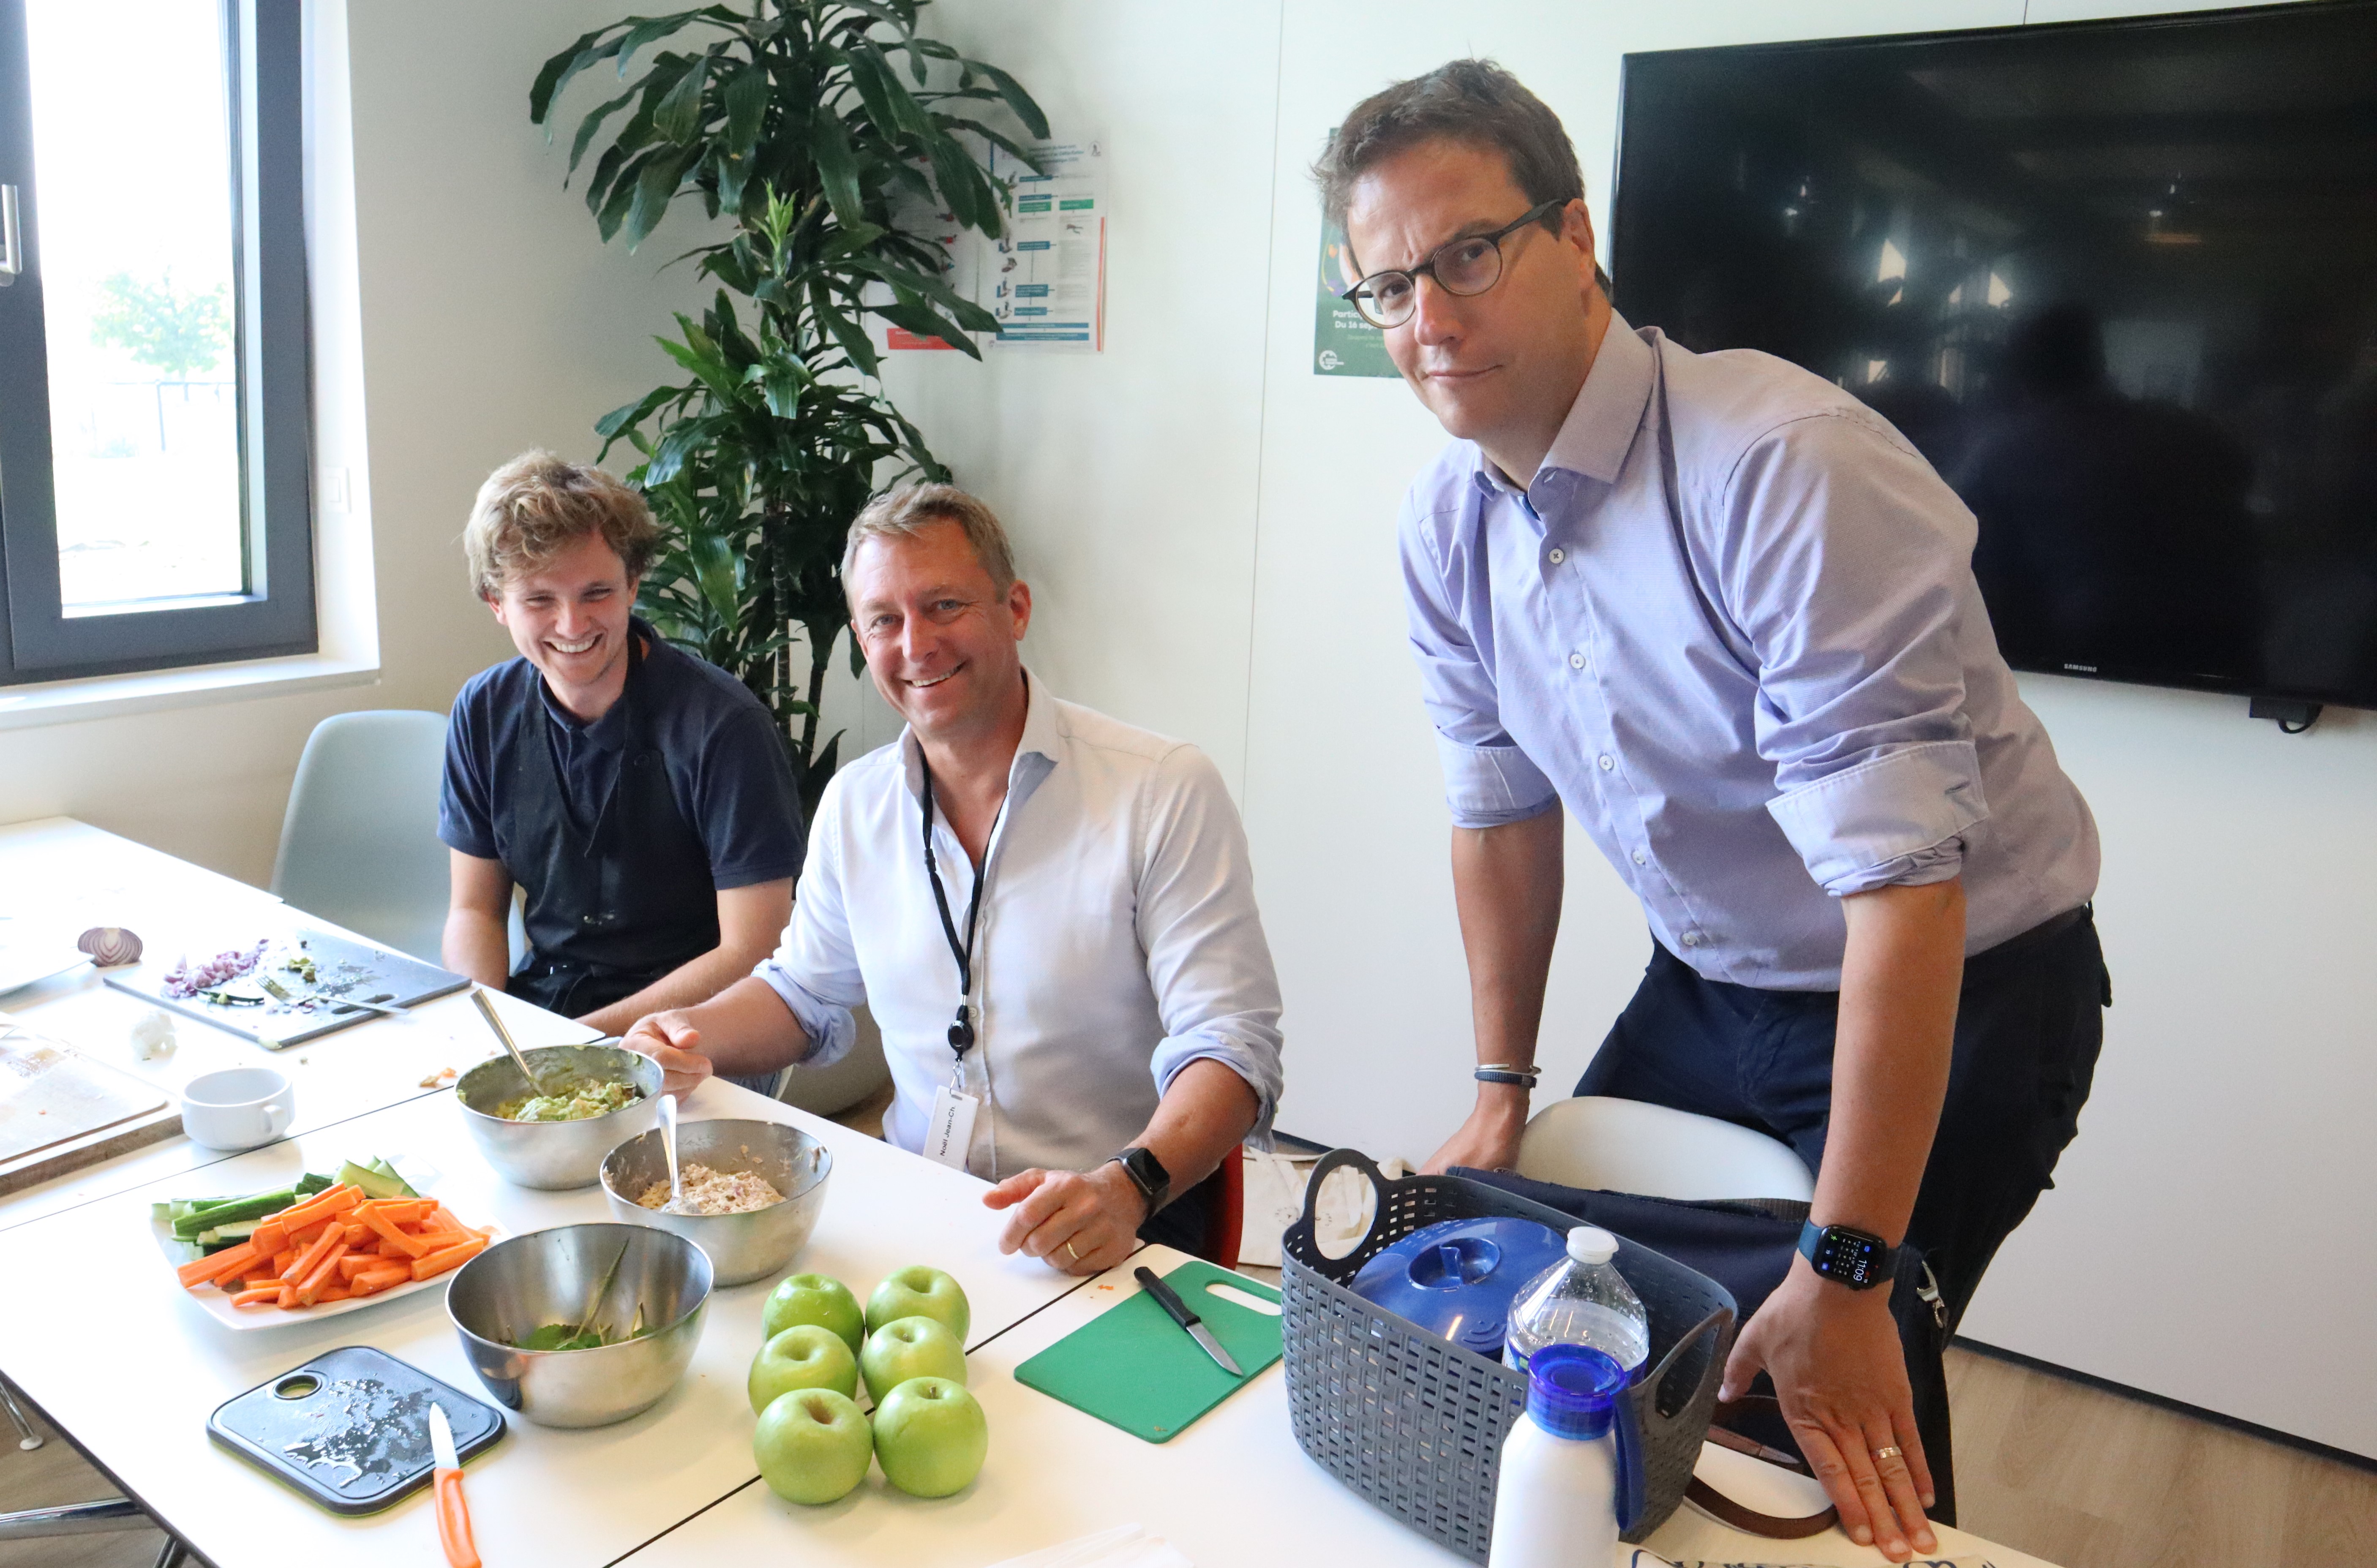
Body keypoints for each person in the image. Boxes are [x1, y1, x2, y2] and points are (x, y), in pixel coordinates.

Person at [1317, 62, 2107, 1563]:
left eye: (1466, 254)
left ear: (1573, 236)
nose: (1428, 316)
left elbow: (1901, 894)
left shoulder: (1778, 466)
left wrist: (1850, 1266)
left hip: (1967, 982)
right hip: (1713, 979)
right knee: (1587, 1315)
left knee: (1815, 1387)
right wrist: (1499, 1080)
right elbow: (1497, 811)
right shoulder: (1443, 522)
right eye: (1387, 287)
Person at [622, 484, 1284, 1272]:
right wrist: (685, 1033)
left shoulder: (1161, 789)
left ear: (1016, 610)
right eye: (884, 620)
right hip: (923, 1207)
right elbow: (802, 994)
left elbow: (1232, 1048)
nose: (916, 645)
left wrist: (1131, 1181)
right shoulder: (855, 804)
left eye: (944, 606)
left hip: (1118, 1214)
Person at [439, 452, 803, 1073]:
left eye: (597, 593)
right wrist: (494, 1034)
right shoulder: (483, 710)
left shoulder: (722, 725)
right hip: (549, 1016)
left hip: (699, 1034)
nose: (572, 624)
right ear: (495, 602)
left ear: (633, 584)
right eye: (539, 600)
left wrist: (570, 1046)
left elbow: (754, 947)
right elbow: (474, 910)